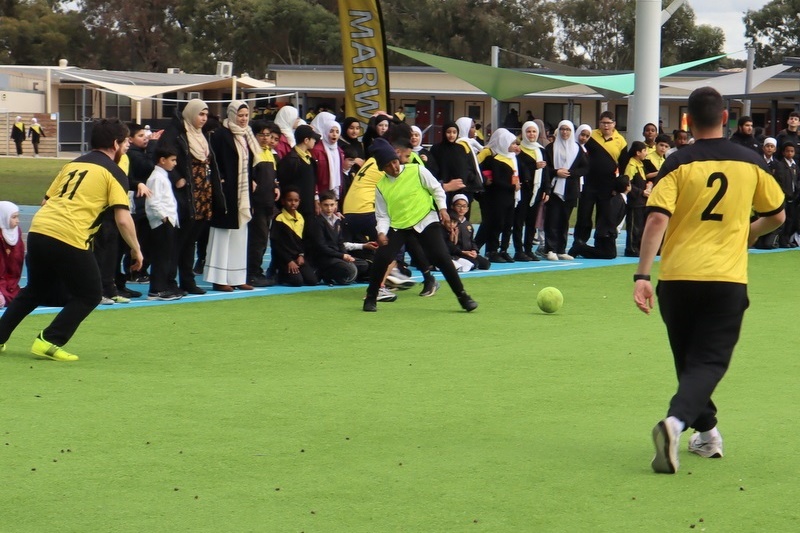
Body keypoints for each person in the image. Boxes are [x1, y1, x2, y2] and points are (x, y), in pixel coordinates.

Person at [633, 86, 785, 475]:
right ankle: (675, 423)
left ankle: (709, 434)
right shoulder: (752, 162)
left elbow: (655, 219)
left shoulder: (676, 162)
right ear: (725, 118)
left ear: (688, 120)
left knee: (690, 365)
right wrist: (749, 232)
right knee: (708, 362)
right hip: (725, 280)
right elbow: (778, 215)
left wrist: (642, 275)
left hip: (679, 279)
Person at [0, 119, 143, 362]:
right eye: (126, 141)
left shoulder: (71, 165)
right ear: (114, 144)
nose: (127, 146)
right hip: (68, 235)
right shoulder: (114, 172)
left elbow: (47, 201)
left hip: (39, 229)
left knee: (35, 289)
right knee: (90, 294)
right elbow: (122, 219)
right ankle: (50, 340)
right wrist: (136, 249)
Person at [362, 138, 477, 313]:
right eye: (388, 165)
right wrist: (382, 232)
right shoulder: (381, 187)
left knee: (442, 257)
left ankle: (463, 296)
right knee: (382, 258)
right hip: (398, 226)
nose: (394, 167)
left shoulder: (416, 170)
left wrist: (443, 210)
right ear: (381, 168)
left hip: (425, 220)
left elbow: (436, 190)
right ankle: (371, 297)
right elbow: (382, 215)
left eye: (394, 161)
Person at [156, 98, 216, 296]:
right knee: (179, 240)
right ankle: (170, 281)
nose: (203, 118)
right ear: (191, 113)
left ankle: (187, 280)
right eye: (200, 114)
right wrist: (177, 178)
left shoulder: (201, 135)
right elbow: (161, 155)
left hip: (201, 192)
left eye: (206, 114)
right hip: (185, 193)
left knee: (191, 239)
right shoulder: (177, 133)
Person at [205, 101, 261, 292]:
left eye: (246, 115)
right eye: (240, 115)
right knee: (223, 234)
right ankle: (218, 278)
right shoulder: (220, 135)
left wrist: (252, 179)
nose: (244, 119)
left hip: (242, 192)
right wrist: (219, 181)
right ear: (231, 114)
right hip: (226, 191)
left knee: (240, 234)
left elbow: (249, 163)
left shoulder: (247, 135)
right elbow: (214, 161)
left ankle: (237, 276)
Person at [574, 111, 627, 246]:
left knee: (603, 216)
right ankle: (579, 242)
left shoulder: (621, 141)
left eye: (609, 123)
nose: (606, 126)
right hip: (588, 182)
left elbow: (623, 165)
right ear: (599, 123)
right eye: (603, 122)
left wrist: (618, 187)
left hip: (608, 185)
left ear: (614, 124)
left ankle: (601, 244)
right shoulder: (590, 135)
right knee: (584, 214)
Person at [544, 120, 589, 261]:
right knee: (552, 219)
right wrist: (556, 172)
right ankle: (550, 249)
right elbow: (546, 168)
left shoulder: (577, 148)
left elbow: (585, 168)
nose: (565, 132)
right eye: (562, 129)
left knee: (564, 220)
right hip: (554, 188)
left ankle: (561, 249)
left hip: (570, 189)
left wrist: (570, 173)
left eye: (568, 130)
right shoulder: (550, 148)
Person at [309, 191, 374, 284]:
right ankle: (325, 273)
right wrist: (342, 256)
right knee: (348, 269)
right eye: (325, 205)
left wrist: (346, 256)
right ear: (319, 205)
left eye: (331, 205)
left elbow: (340, 242)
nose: (329, 208)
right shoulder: (317, 222)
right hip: (325, 257)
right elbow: (321, 246)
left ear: (336, 205)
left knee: (364, 264)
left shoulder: (337, 221)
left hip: (338, 256)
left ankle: (344, 274)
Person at [144, 146, 182, 301]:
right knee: (161, 257)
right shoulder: (156, 178)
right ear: (162, 160)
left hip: (167, 221)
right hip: (161, 223)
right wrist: (164, 217)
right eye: (172, 160)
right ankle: (156, 289)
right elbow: (153, 201)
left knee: (166, 256)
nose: (175, 163)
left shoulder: (162, 176)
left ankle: (162, 287)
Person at [247, 120, 281, 287]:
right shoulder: (252, 153)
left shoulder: (269, 153)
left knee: (262, 239)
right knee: (257, 239)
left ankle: (257, 270)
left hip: (268, 203)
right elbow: (249, 179)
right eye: (262, 135)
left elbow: (272, 177)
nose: (266, 138)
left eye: (268, 135)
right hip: (257, 203)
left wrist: (275, 186)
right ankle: (252, 273)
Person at [270, 188, 318, 287]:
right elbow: (276, 244)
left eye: (296, 201)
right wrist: (288, 261)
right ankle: (280, 273)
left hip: (297, 257)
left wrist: (301, 255)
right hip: (284, 259)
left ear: (299, 202)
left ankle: (295, 271)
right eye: (289, 200)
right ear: (283, 201)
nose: (293, 203)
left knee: (312, 280)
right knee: (297, 282)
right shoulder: (279, 219)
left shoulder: (300, 218)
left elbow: (303, 240)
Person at [277, 124, 321, 220]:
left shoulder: (310, 159)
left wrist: (315, 199)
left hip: (309, 208)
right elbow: (284, 184)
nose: (315, 141)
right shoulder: (290, 160)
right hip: (295, 210)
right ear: (306, 140)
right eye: (313, 139)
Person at [623, 141, 650, 257]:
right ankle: (631, 248)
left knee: (641, 225)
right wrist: (641, 192)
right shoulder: (631, 165)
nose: (646, 153)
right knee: (634, 225)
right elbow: (628, 183)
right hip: (634, 201)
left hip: (641, 201)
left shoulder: (640, 164)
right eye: (644, 151)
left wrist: (648, 186)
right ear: (638, 152)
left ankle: (638, 246)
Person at [773, 141, 799, 248]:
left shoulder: (795, 166)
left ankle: (787, 239)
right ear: (783, 152)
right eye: (787, 151)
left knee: (791, 219)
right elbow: (778, 181)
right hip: (784, 196)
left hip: (794, 197)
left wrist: (796, 193)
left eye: (792, 151)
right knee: (783, 219)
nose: (790, 153)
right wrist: (785, 193)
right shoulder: (780, 165)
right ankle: (781, 240)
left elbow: (797, 180)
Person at [0, 201, 24, 307]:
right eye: (13, 217)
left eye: (17, 217)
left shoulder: (17, 232)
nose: (17, 221)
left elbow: (17, 260)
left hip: (11, 284)